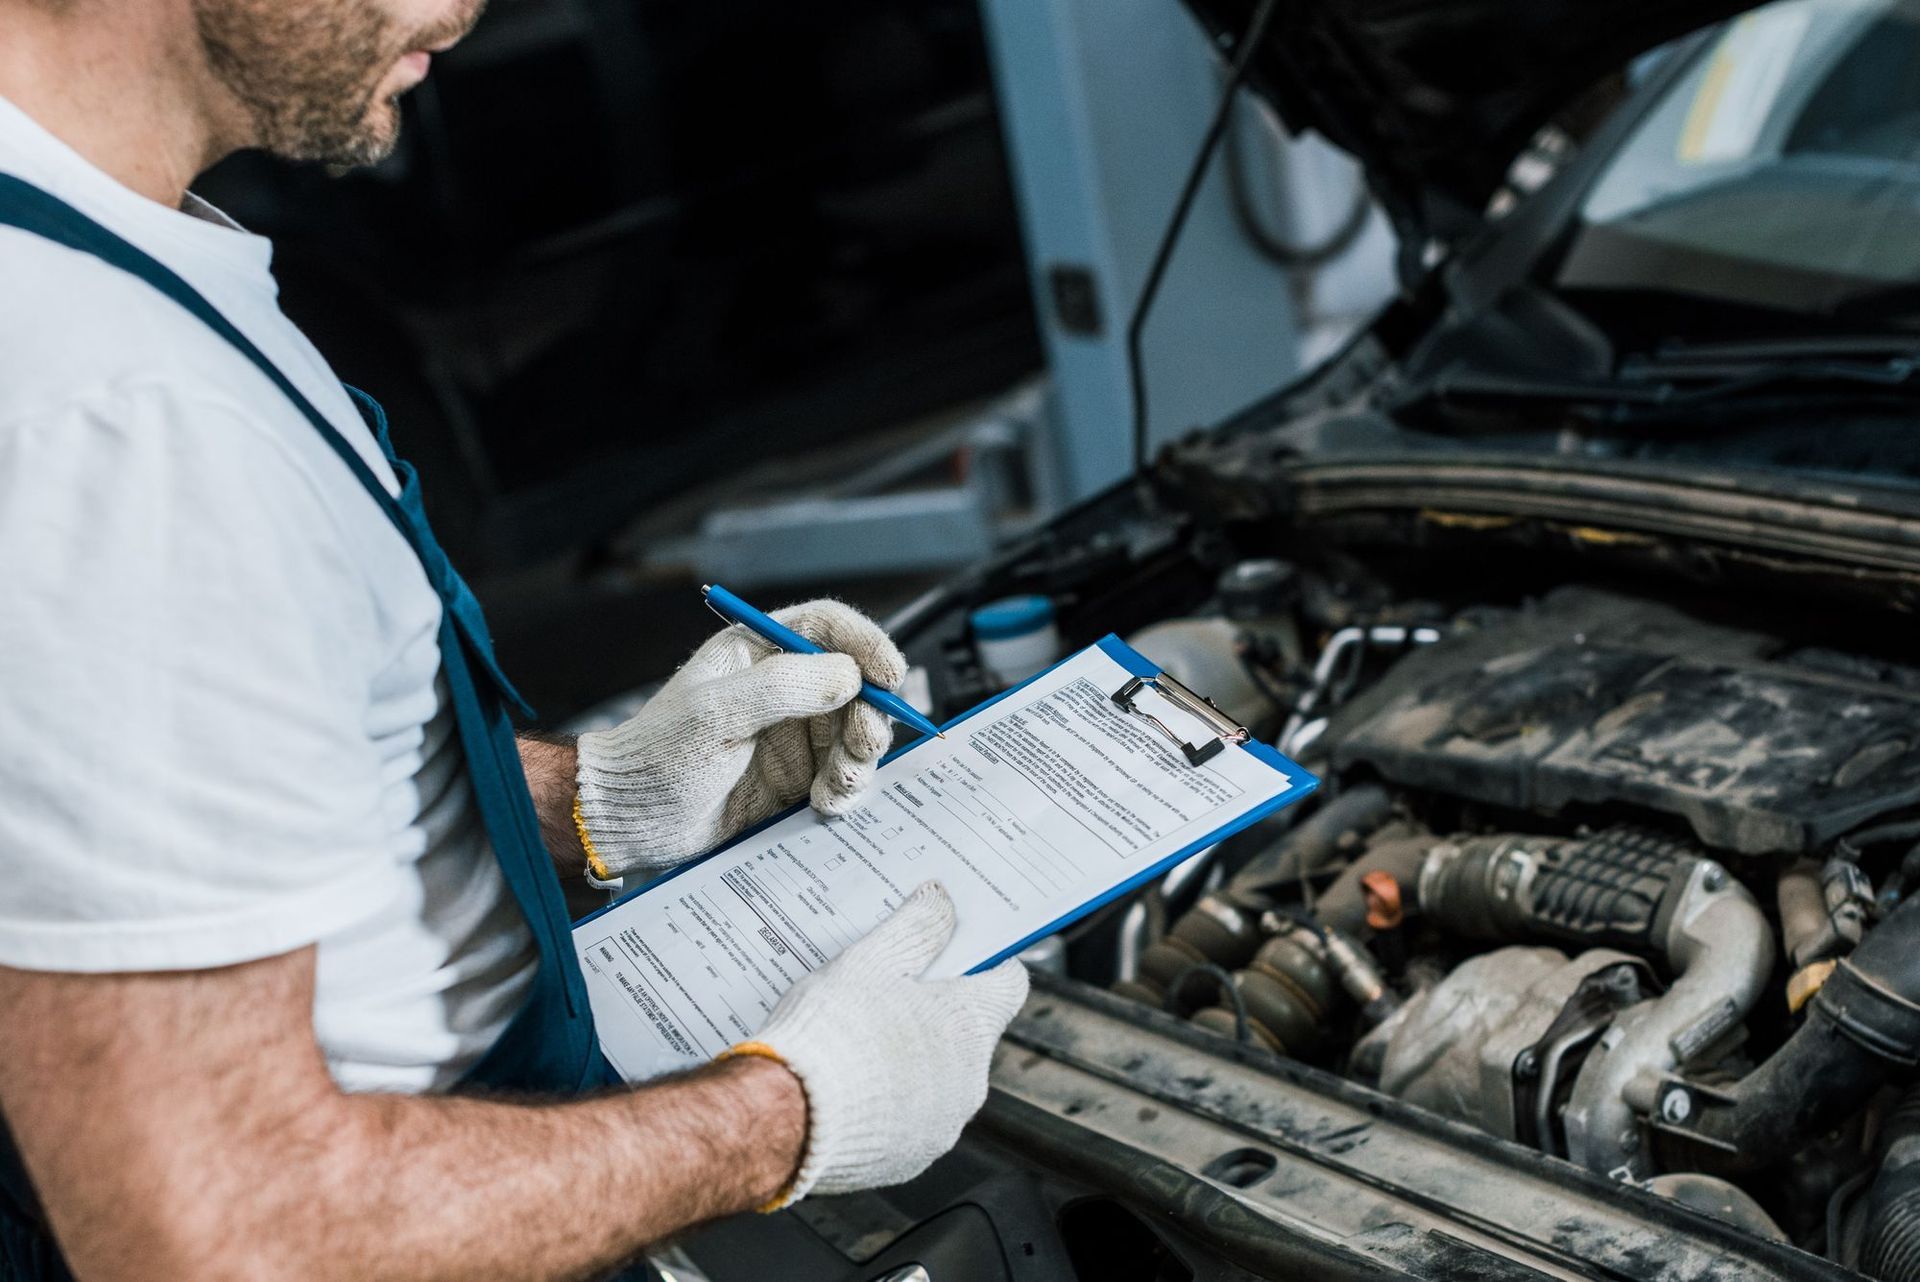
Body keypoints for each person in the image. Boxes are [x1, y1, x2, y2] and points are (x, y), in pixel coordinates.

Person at [0, 2, 1028, 1279]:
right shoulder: (117, 421)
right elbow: (229, 1237)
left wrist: (597, 799)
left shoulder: (92, 252)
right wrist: (785, 1113)